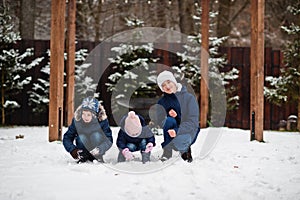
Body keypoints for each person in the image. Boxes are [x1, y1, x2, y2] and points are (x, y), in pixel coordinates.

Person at [155, 70, 200, 162]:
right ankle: (167, 151)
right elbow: (160, 120)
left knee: (181, 140)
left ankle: (186, 151)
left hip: (188, 130)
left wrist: (177, 130)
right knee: (169, 120)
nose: (167, 86)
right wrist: (169, 116)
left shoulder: (189, 98)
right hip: (170, 131)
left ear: (174, 81)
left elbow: (193, 122)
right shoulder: (161, 102)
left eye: (168, 82)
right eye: (163, 85)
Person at [63, 96, 113, 163]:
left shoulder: (102, 121)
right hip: (83, 146)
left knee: (96, 135)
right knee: (81, 137)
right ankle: (83, 156)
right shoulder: (77, 121)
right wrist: (72, 150)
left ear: (94, 115)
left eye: (88, 115)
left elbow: (108, 139)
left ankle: (97, 156)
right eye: (83, 114)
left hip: (96, 146)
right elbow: (67, 137)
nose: (85, 117)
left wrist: (100, 149)